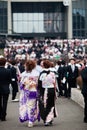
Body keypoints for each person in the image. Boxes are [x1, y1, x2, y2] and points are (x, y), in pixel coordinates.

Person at [19, 59, 40, 127]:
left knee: (25, 105)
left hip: (25, 92)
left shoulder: (23, 74)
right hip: (33, 91)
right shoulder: (37, 73)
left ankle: (29, 119)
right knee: (32, 105)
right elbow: (38, 84)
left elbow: (21, 84)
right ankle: (31, 120)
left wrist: (26, 84)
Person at [38, 59, 58, 126]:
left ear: (43, 66)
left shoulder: (41, 74)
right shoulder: (52, 73)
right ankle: (49, 119)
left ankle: (46, 119)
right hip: (52, 89)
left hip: (44, 90)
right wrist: (56, 92)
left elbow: (39, 84)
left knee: (45, 105)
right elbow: (54, 83)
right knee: (51, 104)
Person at [0, 57, 11, 121]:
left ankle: (1, 114)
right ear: (5, 63)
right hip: (5, 87)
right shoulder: (8, 71)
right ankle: (3, 115)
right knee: (5, 102)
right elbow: (9, 80)